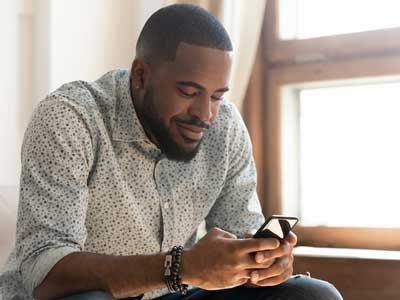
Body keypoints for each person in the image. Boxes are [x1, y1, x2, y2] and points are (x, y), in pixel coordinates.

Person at [0, 4, 342, 300]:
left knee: (314, 296)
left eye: (217, 95)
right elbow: (44, 275)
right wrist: (179, 267)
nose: (205, 114)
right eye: (189, 91)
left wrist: (263, 264)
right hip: (80, 297)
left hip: (174, 294)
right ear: (141, 75)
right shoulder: (70, 118)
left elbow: (240, 236)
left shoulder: (223, 127)